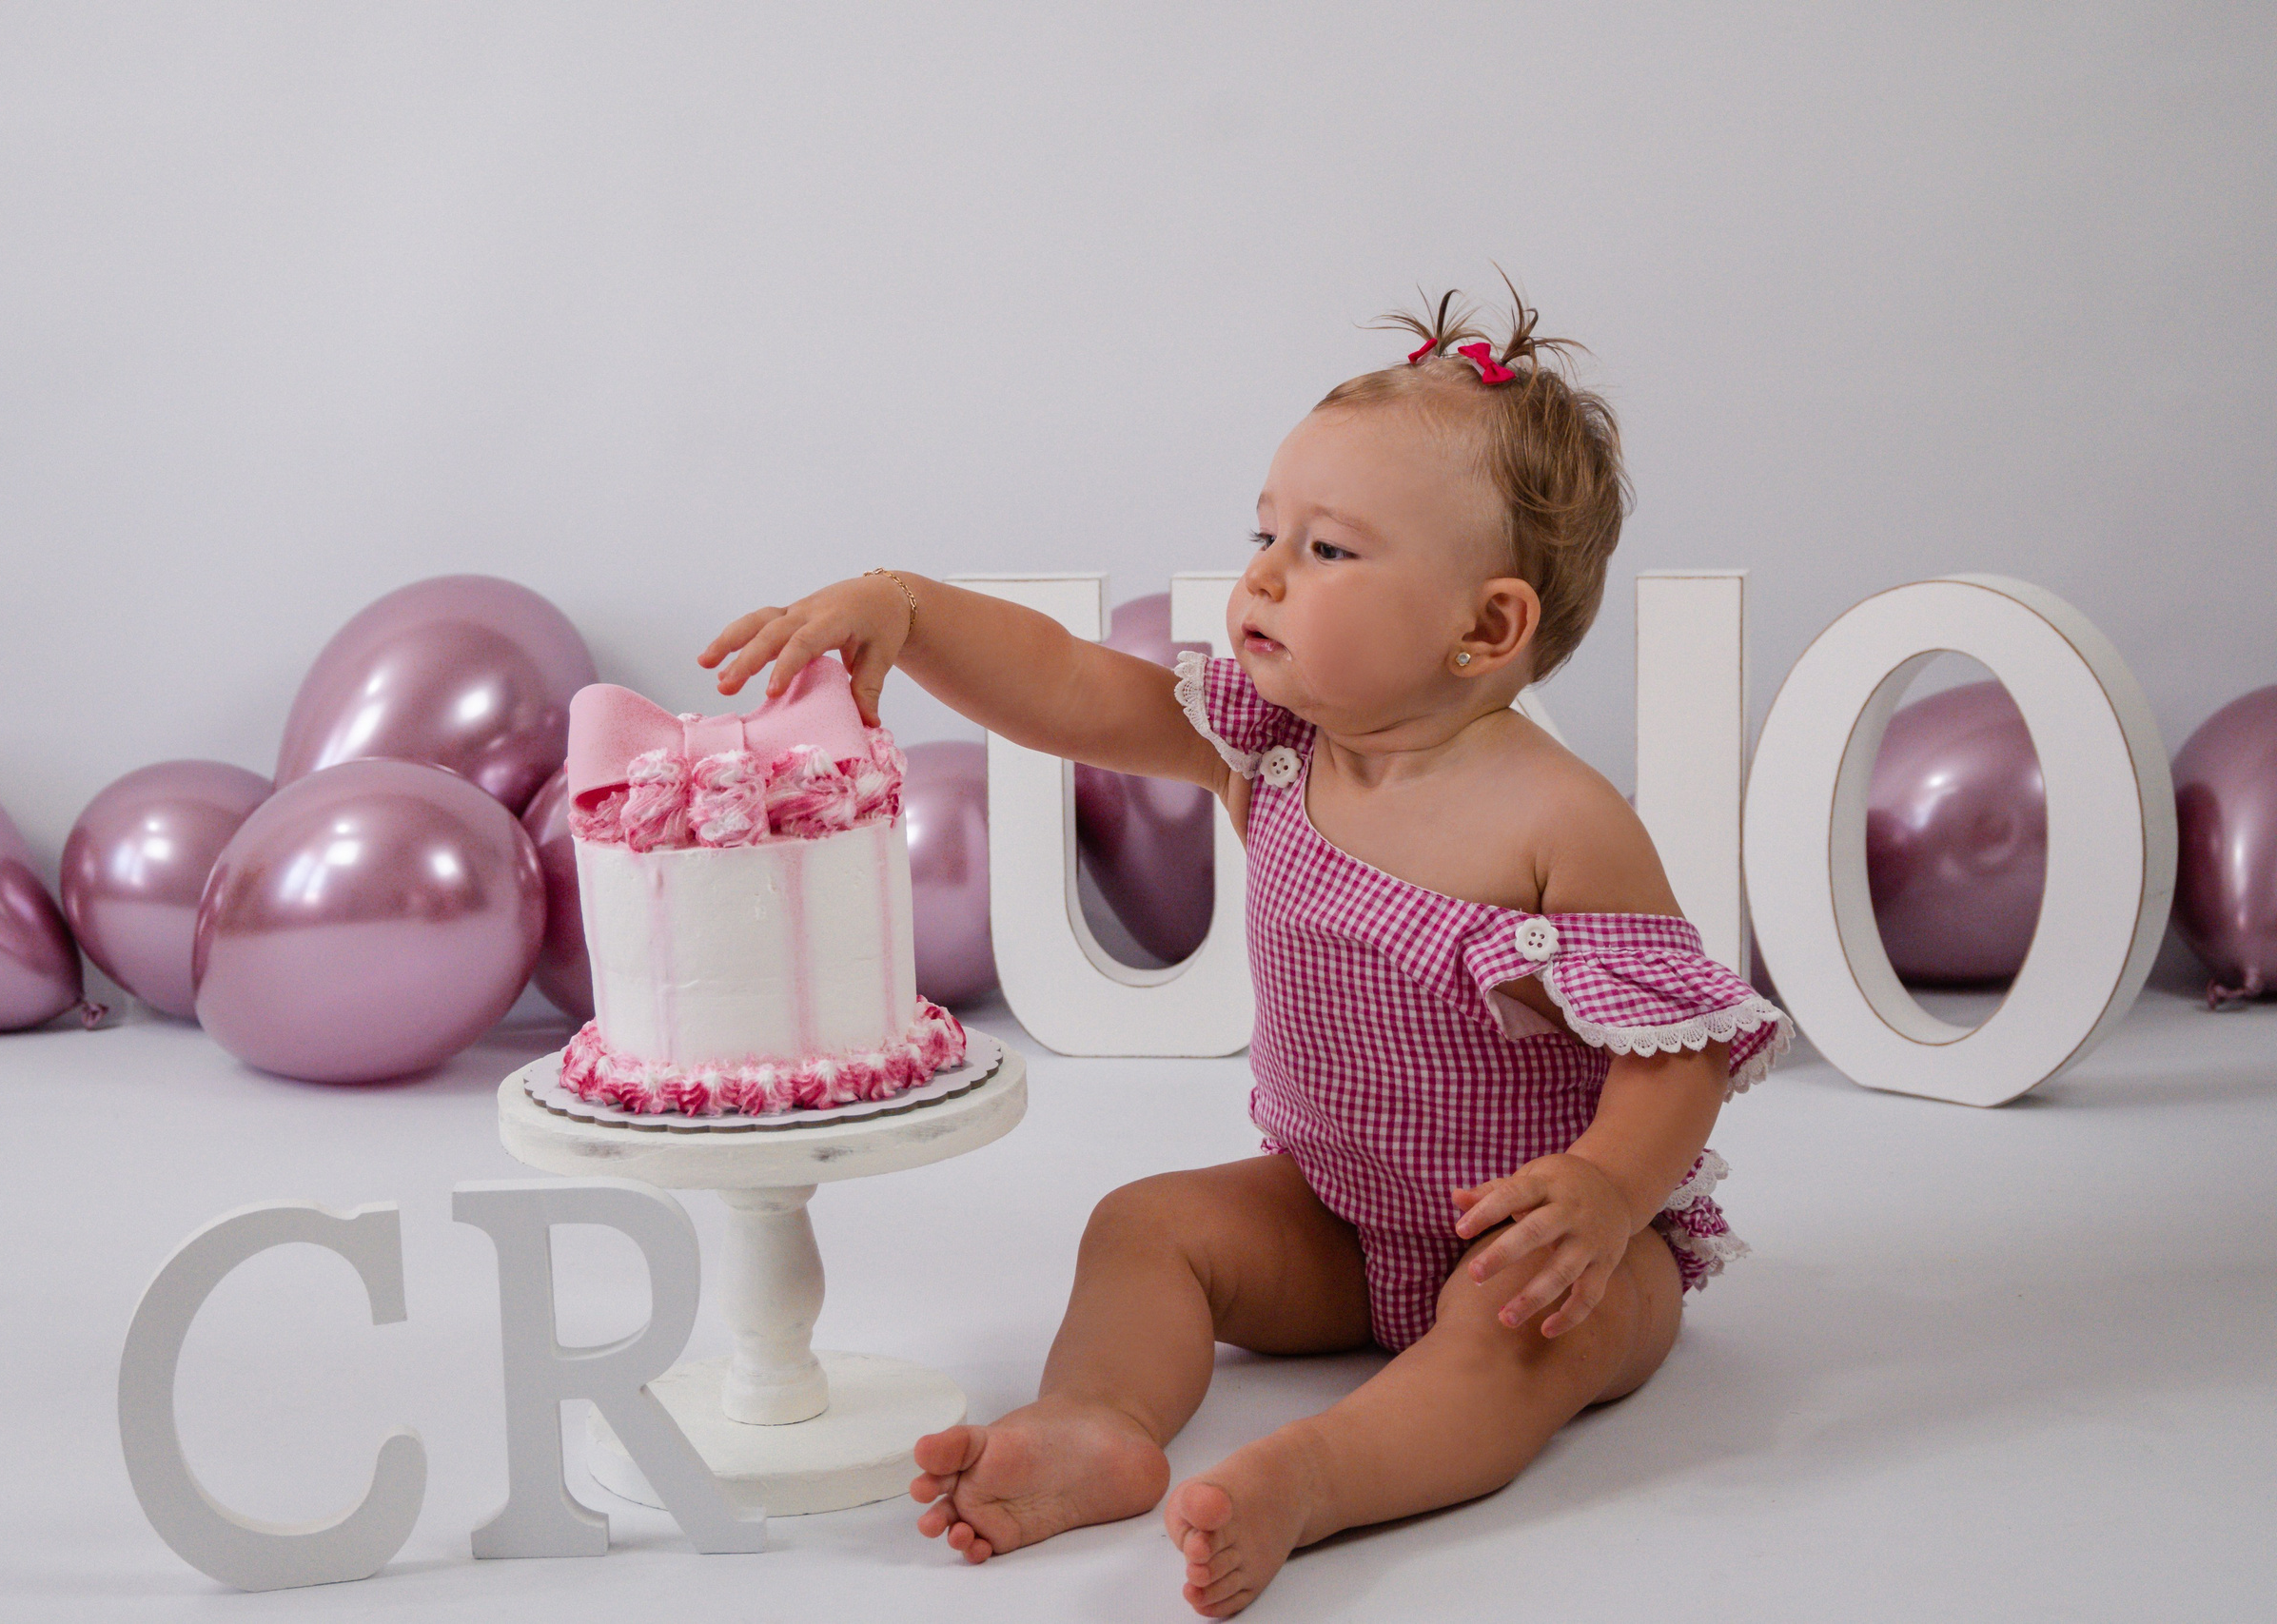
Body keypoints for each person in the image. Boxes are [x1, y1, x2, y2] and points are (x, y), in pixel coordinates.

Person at [700, 284, 1791, 1618]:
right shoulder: (1277, 746)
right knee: (1148, 1225)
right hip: (1336, 1212)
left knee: (1512, 1342)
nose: (1264, 576)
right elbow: (1070, 683)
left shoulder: (1561, 823)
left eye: (1329, 552)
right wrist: (908, 608)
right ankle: (1097, 1420)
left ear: (1488, 628)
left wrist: (1611, 1196)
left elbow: (1675, 1048)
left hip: (1541, 1247)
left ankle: (1317, 1478)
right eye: (1266, 532)